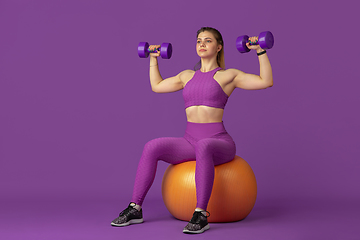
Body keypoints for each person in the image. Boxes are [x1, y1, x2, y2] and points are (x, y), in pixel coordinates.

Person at [111, 27, 273, 234]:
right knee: (152, 146)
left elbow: (265, 81)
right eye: (199, 41)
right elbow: (157, 86)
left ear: (219, 47)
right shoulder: (187, 76)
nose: (202, 44)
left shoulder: (228, 75)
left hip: (218, 141)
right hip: (189, 140)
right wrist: (153, 58)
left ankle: (201, 214)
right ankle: (135, 208)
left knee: (204, 146)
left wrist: (260, 50)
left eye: (208, 40)